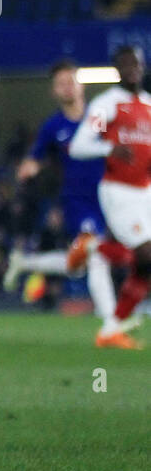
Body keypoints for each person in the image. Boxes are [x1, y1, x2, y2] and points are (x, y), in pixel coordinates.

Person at [3, 59, 131, 336]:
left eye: (70, 81)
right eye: (60, 84)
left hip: (110, 197)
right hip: (77, 200)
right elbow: (35, 158)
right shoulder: (53, 127)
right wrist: (29, 167)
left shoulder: (101, 117)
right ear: (54, 92)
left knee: (77, 265)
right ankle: (110, 322)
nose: (67, 87)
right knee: (96, 255)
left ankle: (25, 263)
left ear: (81, 84)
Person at [67, 45, 151, 349]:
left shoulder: (148, 105)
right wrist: (108, 148)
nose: (132, 69)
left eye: (136, 63)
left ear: (142, 66)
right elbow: (78, 146)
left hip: (145, 190)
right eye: (125, 64)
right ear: (117, 69)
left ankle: (111, 330)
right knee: (146, 255)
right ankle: (94, 248)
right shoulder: (108, 106)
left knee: (143, 264)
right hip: (118, 190)